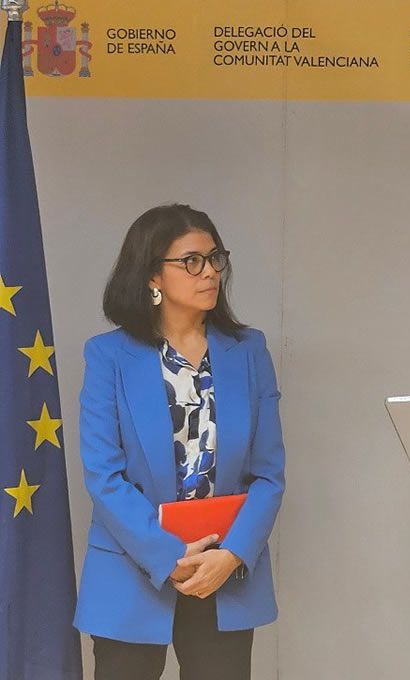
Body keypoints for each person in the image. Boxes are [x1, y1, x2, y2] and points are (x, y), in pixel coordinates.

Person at [75, 204, 285, 679]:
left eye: (215, 258)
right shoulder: (108, 355)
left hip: (222, 570)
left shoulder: (248, 351)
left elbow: (268, 474)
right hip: (131, 568)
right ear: (153, 275)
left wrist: (231, 556)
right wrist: (167, 556)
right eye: (191, 261)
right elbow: (103, 476)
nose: (210, 271)